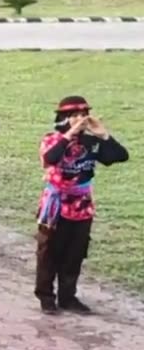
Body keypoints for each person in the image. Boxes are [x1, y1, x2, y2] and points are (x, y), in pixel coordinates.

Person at [35, 96, 129, 314]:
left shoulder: (91, 142)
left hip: (82, 207)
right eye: (74, 115)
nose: (79, 120)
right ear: (63, 118)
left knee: (75, 254)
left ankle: (68, 297)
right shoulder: (52, 139)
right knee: (49, 253)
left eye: (82, 115)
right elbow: (50, 158)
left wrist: (103, 134)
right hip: (56, 207)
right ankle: (46, 297)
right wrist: (68, 135)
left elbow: (121, 156)